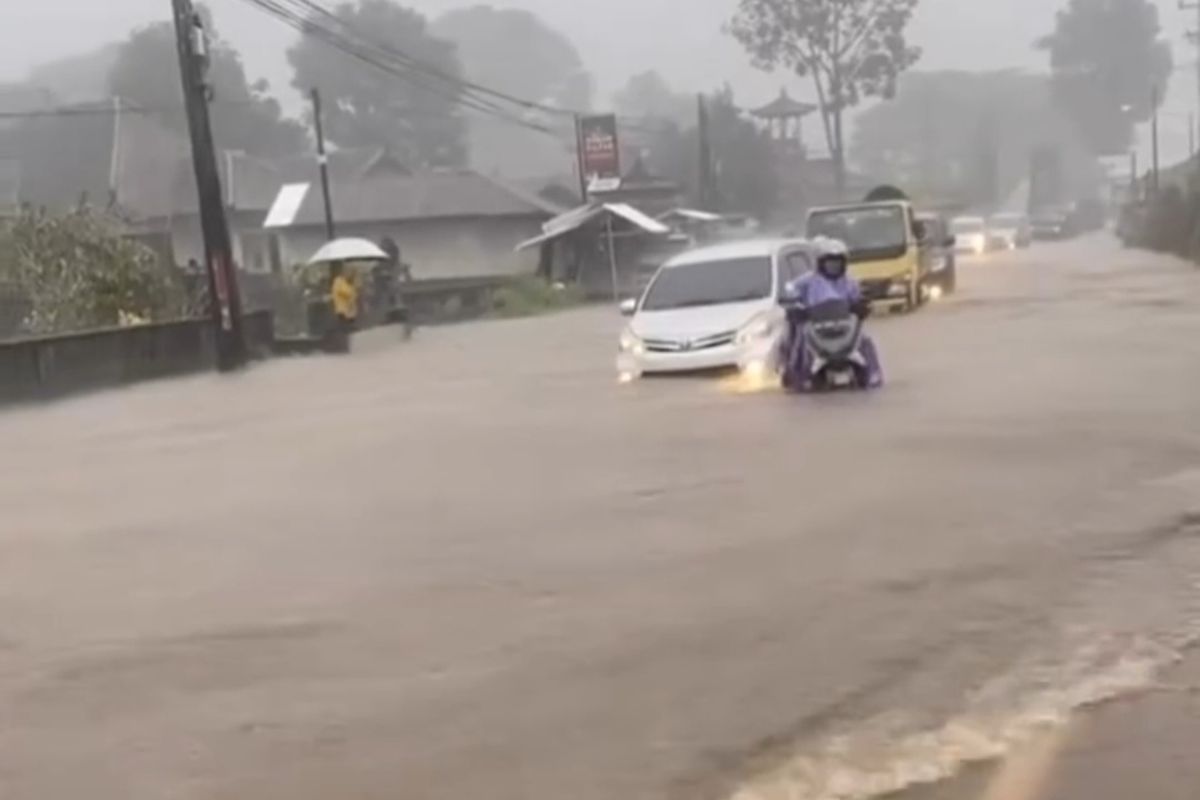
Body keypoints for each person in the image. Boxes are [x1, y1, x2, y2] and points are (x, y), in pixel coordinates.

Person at [780, 238, 884, 390]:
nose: (834, 267)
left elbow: (859, 298)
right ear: (820, 263)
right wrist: (794, 305)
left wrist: (861, 305)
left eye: (837, 262)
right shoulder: (807, 281)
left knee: (865, 339)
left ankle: (872, 373)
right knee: (800, 342)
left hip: (844, 326)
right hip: (815, 325)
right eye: (830, 263)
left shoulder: (850, 282)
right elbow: (790, 291)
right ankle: (797, 374)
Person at [329, 262, 358, 350]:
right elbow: (344, 292)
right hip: (341, 309)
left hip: (350, 310)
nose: (350, 274)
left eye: (352, 272)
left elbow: (354, 295)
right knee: (342, 327)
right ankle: (341, 346)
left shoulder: (349, 282)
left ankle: (347, 345)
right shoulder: (339, 281)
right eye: (349, 272)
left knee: (349, 328)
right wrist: (351, 291)